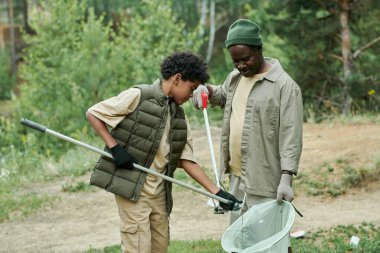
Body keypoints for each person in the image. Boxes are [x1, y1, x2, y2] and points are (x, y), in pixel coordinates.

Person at [86, 51, 241, 253]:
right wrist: (115, 149)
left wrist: (217, 192)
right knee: (138, 248)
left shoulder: (179, 115)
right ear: (177, 79)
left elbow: (187, 160)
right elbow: (94, 114)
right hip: (134, 190)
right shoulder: (139, 95)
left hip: (160, 193)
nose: (191, 95)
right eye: (191, 88)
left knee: (159, 247)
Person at [192, 19, 303, 253]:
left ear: (258, 49)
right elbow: (223, 96)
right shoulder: (235, 78)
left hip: (265, 179)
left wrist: (286, 178)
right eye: (236, 61)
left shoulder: (285, 87)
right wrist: (207, 90)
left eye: (246, 59)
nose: (241, 65)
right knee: (241, 240)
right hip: (237, 177)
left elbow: (291, 136)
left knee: (273, 243)